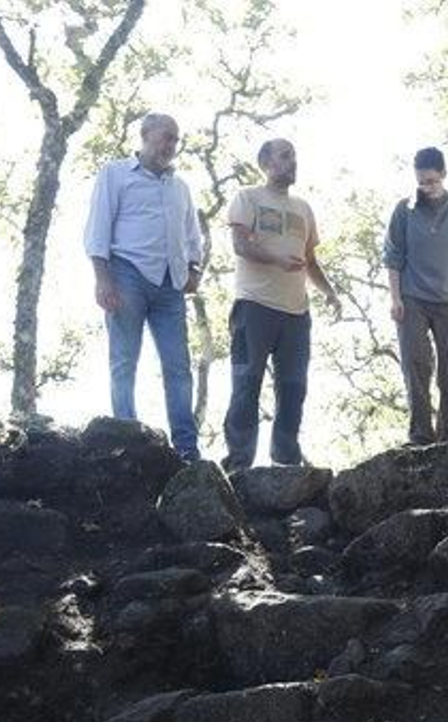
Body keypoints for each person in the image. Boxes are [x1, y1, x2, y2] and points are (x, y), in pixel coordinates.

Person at [84, 112, 202, 461]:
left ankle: (186, 450)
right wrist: (102, 277)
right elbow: (98, 228)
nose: (171, 145)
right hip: (126, 274)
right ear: (145, 135)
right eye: (166, 136)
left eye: (175, 139)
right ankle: (127, 440)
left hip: (170, 285)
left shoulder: (180, 187)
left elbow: (192, 236)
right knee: (124, 360)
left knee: (178, 366)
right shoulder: (115, 174)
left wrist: (194, 269)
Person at [222, 138, 341, 472]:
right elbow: (240, 245)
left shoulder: (303, 208)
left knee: (293, 388)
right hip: (254, 307)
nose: (293, 162)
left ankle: (286, 461)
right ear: (266, 163)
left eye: (295, 155)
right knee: (247, 383)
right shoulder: (247, 198)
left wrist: (329, 292)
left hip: (296, 313)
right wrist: (276, 258)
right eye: (285, 156)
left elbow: (310, 261)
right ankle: (238, 464)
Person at [382, 146, 448, 445]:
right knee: (416, 364)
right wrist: (395, 298)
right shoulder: (404, 209)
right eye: (421, 182)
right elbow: (393, 256)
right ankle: (420, 435)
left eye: (431, 182)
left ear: (443, 175)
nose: (426, 187)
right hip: (412, 299)